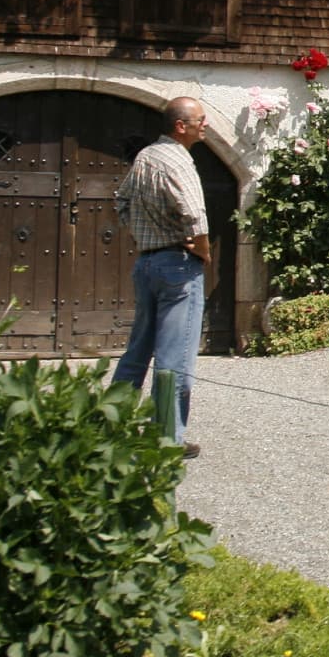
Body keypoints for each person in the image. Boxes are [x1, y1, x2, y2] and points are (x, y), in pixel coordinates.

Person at [113, 96, 214, 457]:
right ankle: (166, 439)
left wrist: (145, 234)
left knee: (137, 350)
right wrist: (203, 251)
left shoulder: (145, 156)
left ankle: (112, 426)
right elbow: (195, 215)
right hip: (178, 266)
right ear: (180, 126)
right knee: (176, 357)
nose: (205, 124)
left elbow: (121, 202)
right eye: (200, 120)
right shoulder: (178, 160)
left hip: (147, 263)